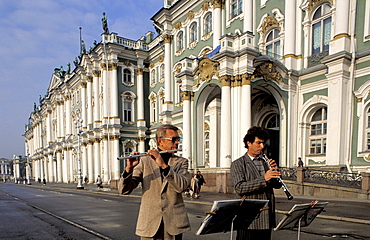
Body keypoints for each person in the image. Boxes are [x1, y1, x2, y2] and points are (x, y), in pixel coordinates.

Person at [118, 124, 191, 240]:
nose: (177, 143)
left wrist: (163, 165)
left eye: (178, 139)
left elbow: (181, 186)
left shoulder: (181, 162)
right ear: (160, 141)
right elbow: (124, 190)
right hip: (150, 224)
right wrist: (129, 169)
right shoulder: (144, 160)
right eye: (174, 139)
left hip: (173, 224)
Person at [230, 126, 282, 240]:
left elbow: (277, 185)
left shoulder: (265, 162)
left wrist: (276, 172)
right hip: (248, 218)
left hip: (266, 216)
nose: (262, 147)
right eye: (258, 143)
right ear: (249, 143)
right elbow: (240, 188)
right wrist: (264, 178)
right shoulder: (238, 164)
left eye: (263, 143)